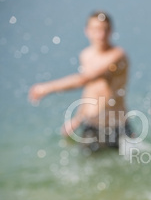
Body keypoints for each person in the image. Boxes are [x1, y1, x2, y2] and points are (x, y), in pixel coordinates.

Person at [29, 11, 133, 150]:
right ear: (87, 31)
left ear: (111, 31)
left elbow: (85, 79)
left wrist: (46, 88)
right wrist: (77, 119)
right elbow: (90, 89)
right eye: (96, 29)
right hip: (91, 124)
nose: (101, 34)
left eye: (105, 29)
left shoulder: (117, 55)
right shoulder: (86, 55)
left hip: (117, 125)